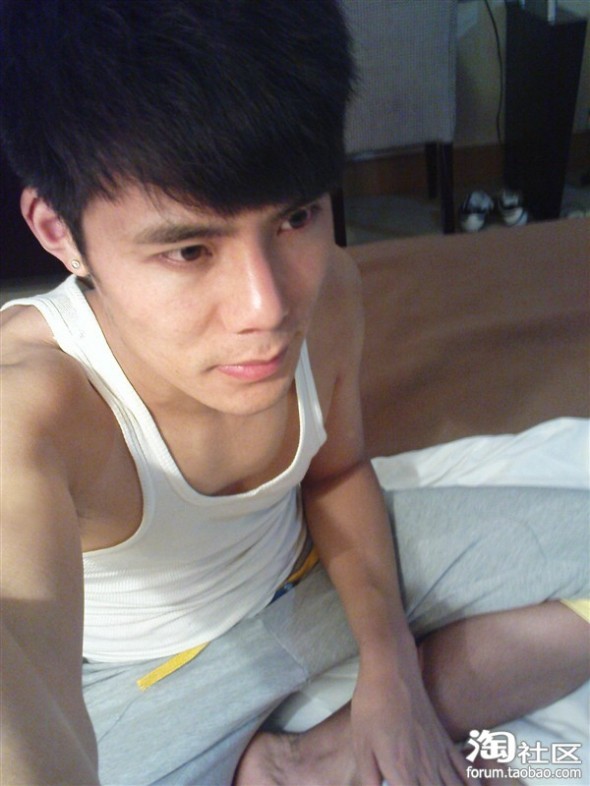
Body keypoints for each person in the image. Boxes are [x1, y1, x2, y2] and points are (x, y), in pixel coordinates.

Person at [1, 2, 588, 785]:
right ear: (59, 233)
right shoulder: (31, 404)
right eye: (188, 250)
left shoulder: (331, 286)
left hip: (314, 574)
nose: (269, 307)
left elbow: (337, 472)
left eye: (297, 216)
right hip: (150, 683)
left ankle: (316, 755)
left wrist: (394, 675)